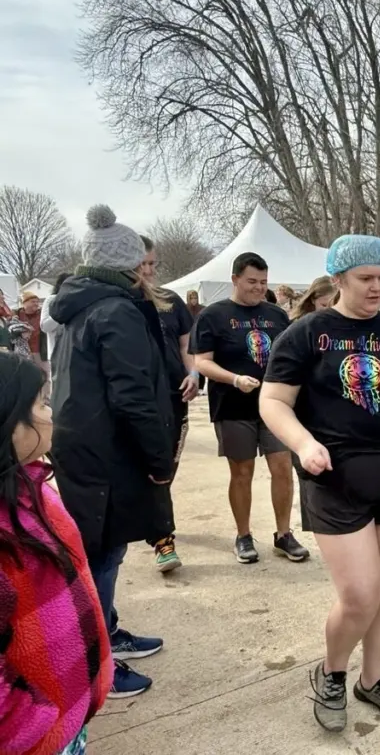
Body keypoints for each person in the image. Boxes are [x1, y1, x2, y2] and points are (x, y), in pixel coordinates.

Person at [260, 234, 380, 733]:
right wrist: (302, 443)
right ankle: (333, 672)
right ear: (338, 279)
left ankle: (373, 679)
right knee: (361, 593)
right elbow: (273, 401)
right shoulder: (307, 332)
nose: (378, 287)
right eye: (366, 279)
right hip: (334, 480)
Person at [48, 204, 175, 698]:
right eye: (143, 264)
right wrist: (159, 460)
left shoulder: (78, 305)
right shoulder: (114, 310)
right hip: (107, 452)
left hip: (84, 446)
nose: (148, 272)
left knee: (106, 550)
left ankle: (108, 630)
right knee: (101, 554)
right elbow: (132, 394)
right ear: (126, 266)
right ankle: (95, 659)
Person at [0, 354, 114, 755]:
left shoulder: (31, 485)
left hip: (66, 716)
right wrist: (33, 729)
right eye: (40, 403)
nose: (50, 413)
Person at [190, 252, 309, 564]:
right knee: (242, 471)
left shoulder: (276, 315)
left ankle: (284, 534)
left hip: (274, 406)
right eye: (252, 282)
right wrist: (233, 379)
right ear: (235, 280)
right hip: (232, 405)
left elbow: (291, 356)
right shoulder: (212, 315)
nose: (259, 288)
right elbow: (201, 362)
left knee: (282, 467)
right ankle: (243, 535)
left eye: (264, 282)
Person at [135, 237, 200, 572]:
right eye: (140, 264)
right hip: (137, 397)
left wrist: (193, 373)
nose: (147, 271)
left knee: (166, 466)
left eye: (151, 264)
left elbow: (186, 346)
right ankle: (163, 539)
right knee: (148, 465)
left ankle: (157, 516)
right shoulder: (121, 303)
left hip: (174, 395)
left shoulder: (170, 301)